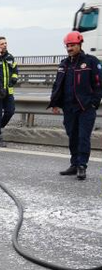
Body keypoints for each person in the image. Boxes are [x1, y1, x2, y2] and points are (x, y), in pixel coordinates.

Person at [48, 31, 102, 181]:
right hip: (69, 107)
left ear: (80, 44)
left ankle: (82, 166)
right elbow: (57, 85)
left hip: (85, 107)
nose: (70, 48)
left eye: (72, 45)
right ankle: (74, 164)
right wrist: (55, 103)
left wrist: (93, 103)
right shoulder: (64, 64)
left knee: (83, 137)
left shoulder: (91, 62)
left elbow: (99, 85)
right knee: (72, 136)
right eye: (68, 46)